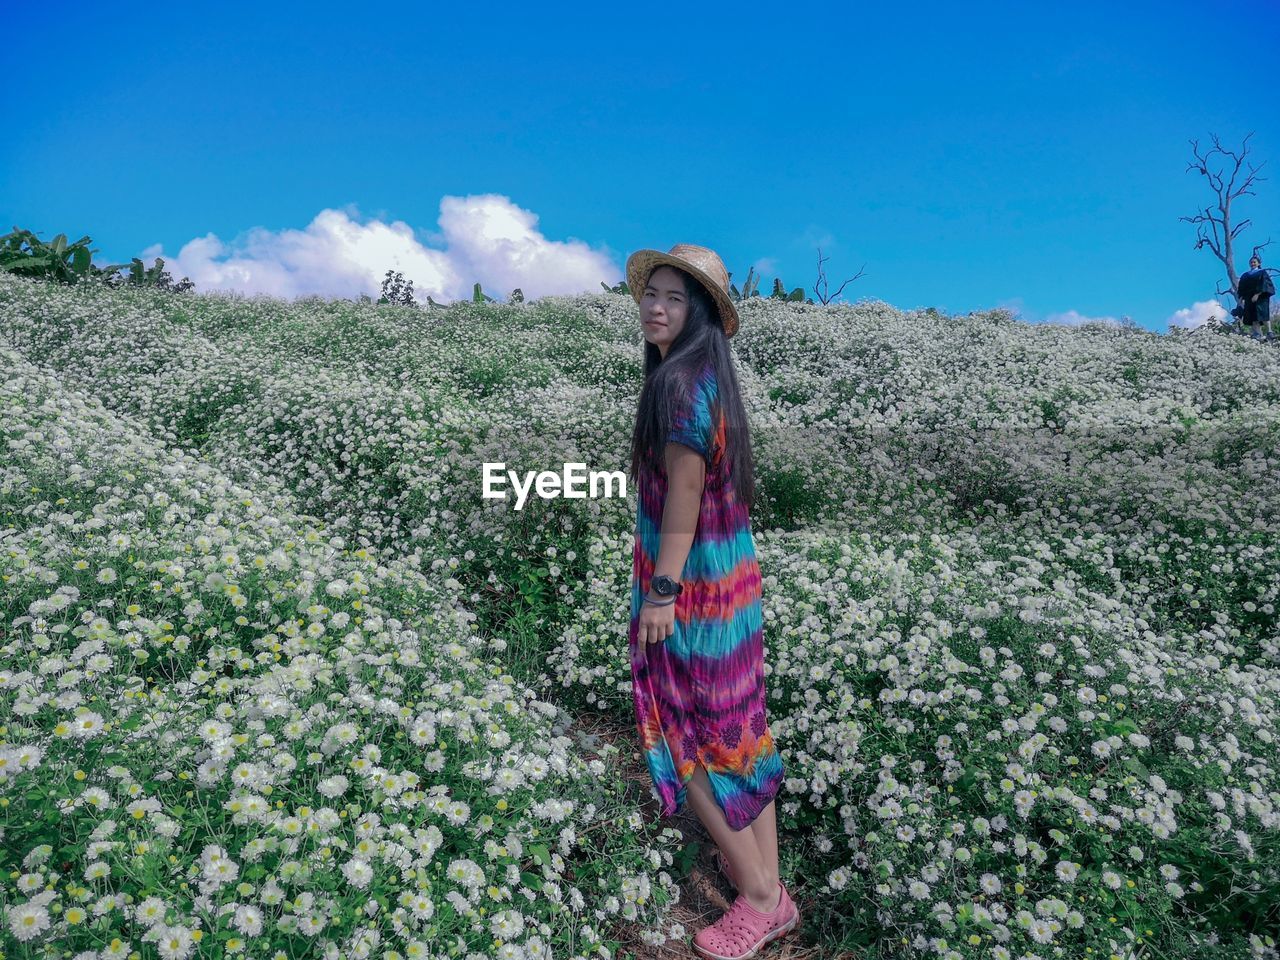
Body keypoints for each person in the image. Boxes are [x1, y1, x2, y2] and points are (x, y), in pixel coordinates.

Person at [624, 243, 797, 959]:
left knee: (682, 735)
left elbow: (685, 496)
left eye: (672, 298)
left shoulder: (678, 384)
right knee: (739, 730)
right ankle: (772, 889)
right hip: (732, 586)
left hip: (692, 589)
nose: (654, 307)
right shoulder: (705, 379)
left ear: (699, 314)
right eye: (649, 294)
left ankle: (757, 899)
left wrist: (661, 590)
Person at [1238, 254, 1276, 342]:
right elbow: (1242, 288)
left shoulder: (1262, 273)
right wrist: (1241, 298)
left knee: (1264, 314)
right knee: (1253, 317)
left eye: (1254, 262)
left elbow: (1266, 285)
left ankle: (1269, 332)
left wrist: (1257, 294)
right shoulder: (1245, 275)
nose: (1252, 264)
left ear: (1258, 263)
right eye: (1251, 262)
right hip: (1249, 298)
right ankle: (1258, 334)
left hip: (1261, 298)